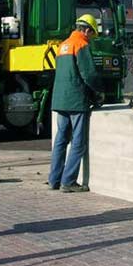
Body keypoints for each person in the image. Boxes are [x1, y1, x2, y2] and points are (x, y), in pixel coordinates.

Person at [48, 14, 104, 193]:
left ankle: (54, 180)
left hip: (60, 99)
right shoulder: (81, 44)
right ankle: (68, 182)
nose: (91, 37)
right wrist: (99, 93)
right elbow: (89, 75)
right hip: (76, 101)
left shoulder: (63, 45)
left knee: (60, 141)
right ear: (86, 29)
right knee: (78, 143)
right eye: (91, 33)